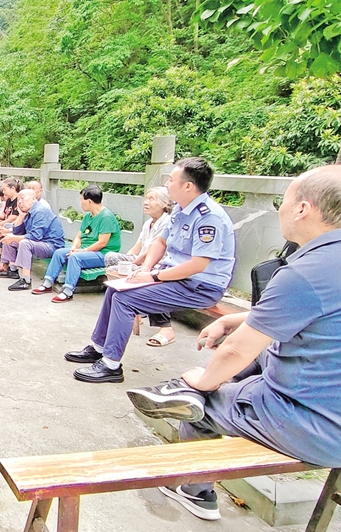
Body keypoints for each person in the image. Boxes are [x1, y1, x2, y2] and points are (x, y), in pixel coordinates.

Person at [127, 165, 341, 521]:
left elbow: (236, 349)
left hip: (320, 430)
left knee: (200, 401)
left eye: (283, 202)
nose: (281, 209)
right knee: (257, 358)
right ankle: (205, 391)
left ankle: (196, 491)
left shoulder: (303, 272)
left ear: (302, 209)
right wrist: (232, 319)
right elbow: (313, 312)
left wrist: (203, 381)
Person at [66, 158, 235, 383]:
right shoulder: (180, 209)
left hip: (200, 285)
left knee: (125, 300)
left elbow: (198, 265)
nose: (167, 184)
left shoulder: (209, 217)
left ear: (188, 186)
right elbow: (160, 242)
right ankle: (99, 347)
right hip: (175, 277)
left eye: (171, 180)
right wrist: (144, 269)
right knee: (115, 289)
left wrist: (153, 275)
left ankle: (111, 365)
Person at [104, 187, 176, 347]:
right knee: (112, 261)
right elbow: (137, 248)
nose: (146, 202)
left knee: (147, 276)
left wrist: (135, 266)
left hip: (159, 264)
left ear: (164, 203)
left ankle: (166, 328)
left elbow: (153, 251)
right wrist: (124, 264)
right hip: (142, 261)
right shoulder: (148, 223)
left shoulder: (167, 222)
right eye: (146, 198)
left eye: (151, 199)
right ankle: (131, 309)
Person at [35, 185, 121, 302]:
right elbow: (78, 236)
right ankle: (47, 283)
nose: (80, 203)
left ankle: (68, 291)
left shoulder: (106, 217)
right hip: (87, 250)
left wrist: (82, 251)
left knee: (75, 257)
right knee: (59, 253)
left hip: (103, 254)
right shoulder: (88, 216)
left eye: (81, 200)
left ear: (89, 201)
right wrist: (74, 247)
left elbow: (102, 243)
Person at [0, 189, 65, 291]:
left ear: (33, 199)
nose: (20, 202)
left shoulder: (40, 211)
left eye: (23, 198)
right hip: (39, 243)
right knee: (9, 238)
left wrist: (14, 237)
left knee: (24, 243)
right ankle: (12, 270)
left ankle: (26, 281)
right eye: (18, 199)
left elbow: (35, 236)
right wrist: (21, 216)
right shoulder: (28, 212)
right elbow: (17, 232)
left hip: (51, 245)